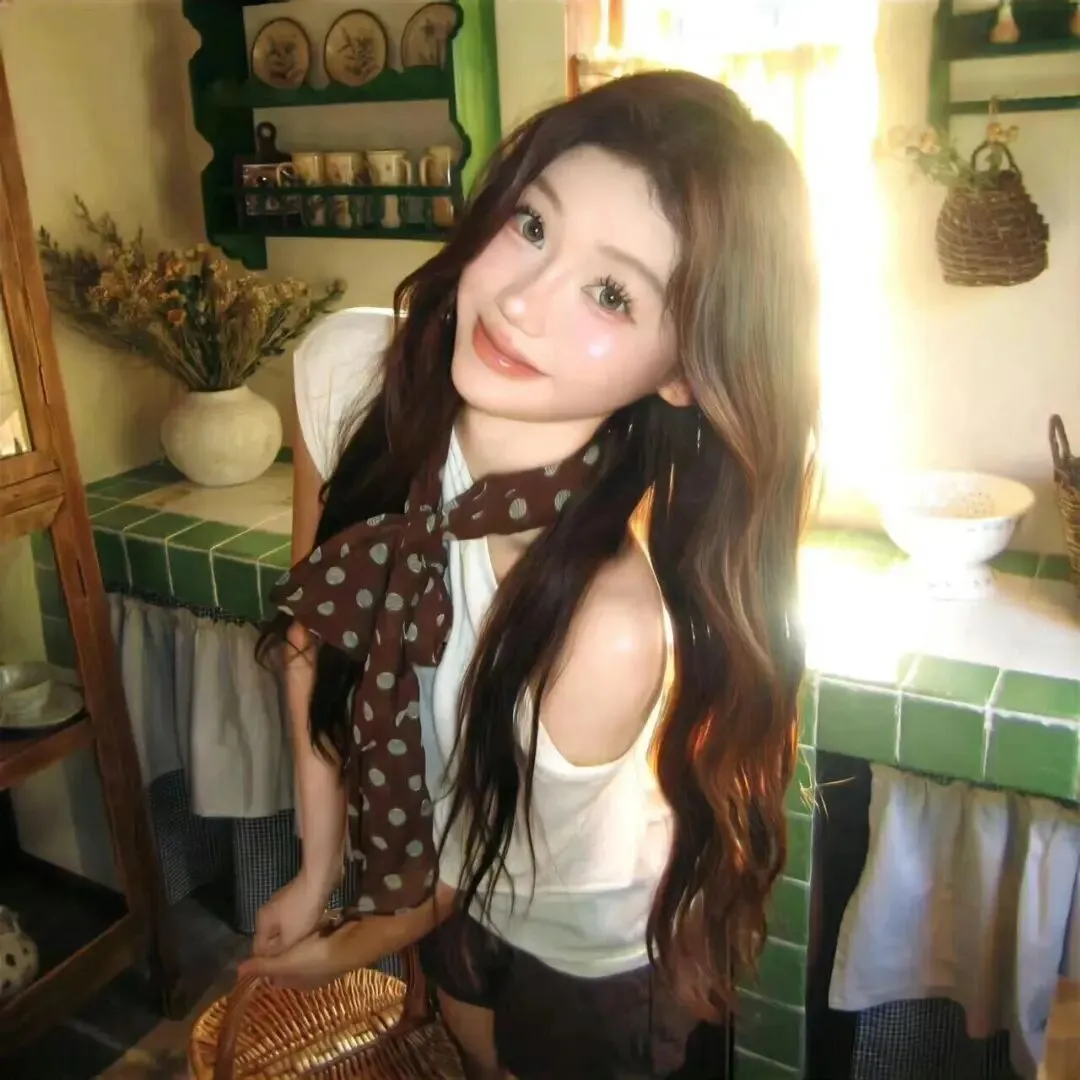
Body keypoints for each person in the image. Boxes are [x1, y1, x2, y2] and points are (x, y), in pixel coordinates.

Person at [243, 68, 819, 1079]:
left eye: (612, 293)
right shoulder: (352, 379)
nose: (519, 301)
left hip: (582, 946)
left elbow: (479, 861)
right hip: (444, 870)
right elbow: (317, 638)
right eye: (533, 225)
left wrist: (354, 940)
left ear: (683, 372)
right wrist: (318, 864)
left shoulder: (606, 625)